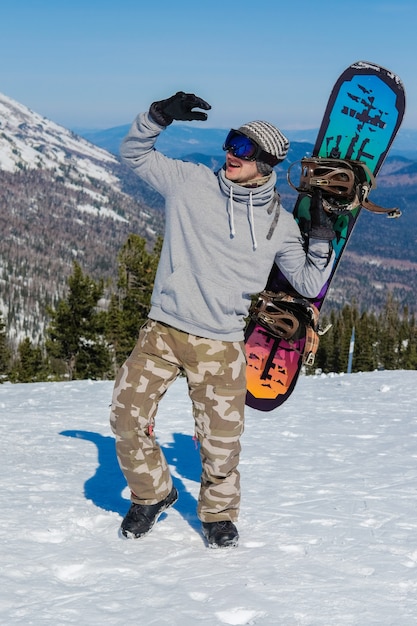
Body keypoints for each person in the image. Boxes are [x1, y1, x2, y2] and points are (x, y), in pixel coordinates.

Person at [109, 92, 335, 548]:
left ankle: (217, 515)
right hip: (162, 331)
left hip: (222, 343)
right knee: (125, 418)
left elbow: (310, 282)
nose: (232, 153)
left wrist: (324, 235)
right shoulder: (190, 182)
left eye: (245, 149)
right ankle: (152, 494)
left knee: (220, 443)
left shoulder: (278, 225)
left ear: (267, 163)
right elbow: (133, 153)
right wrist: (158, 116)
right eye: (232, 142)